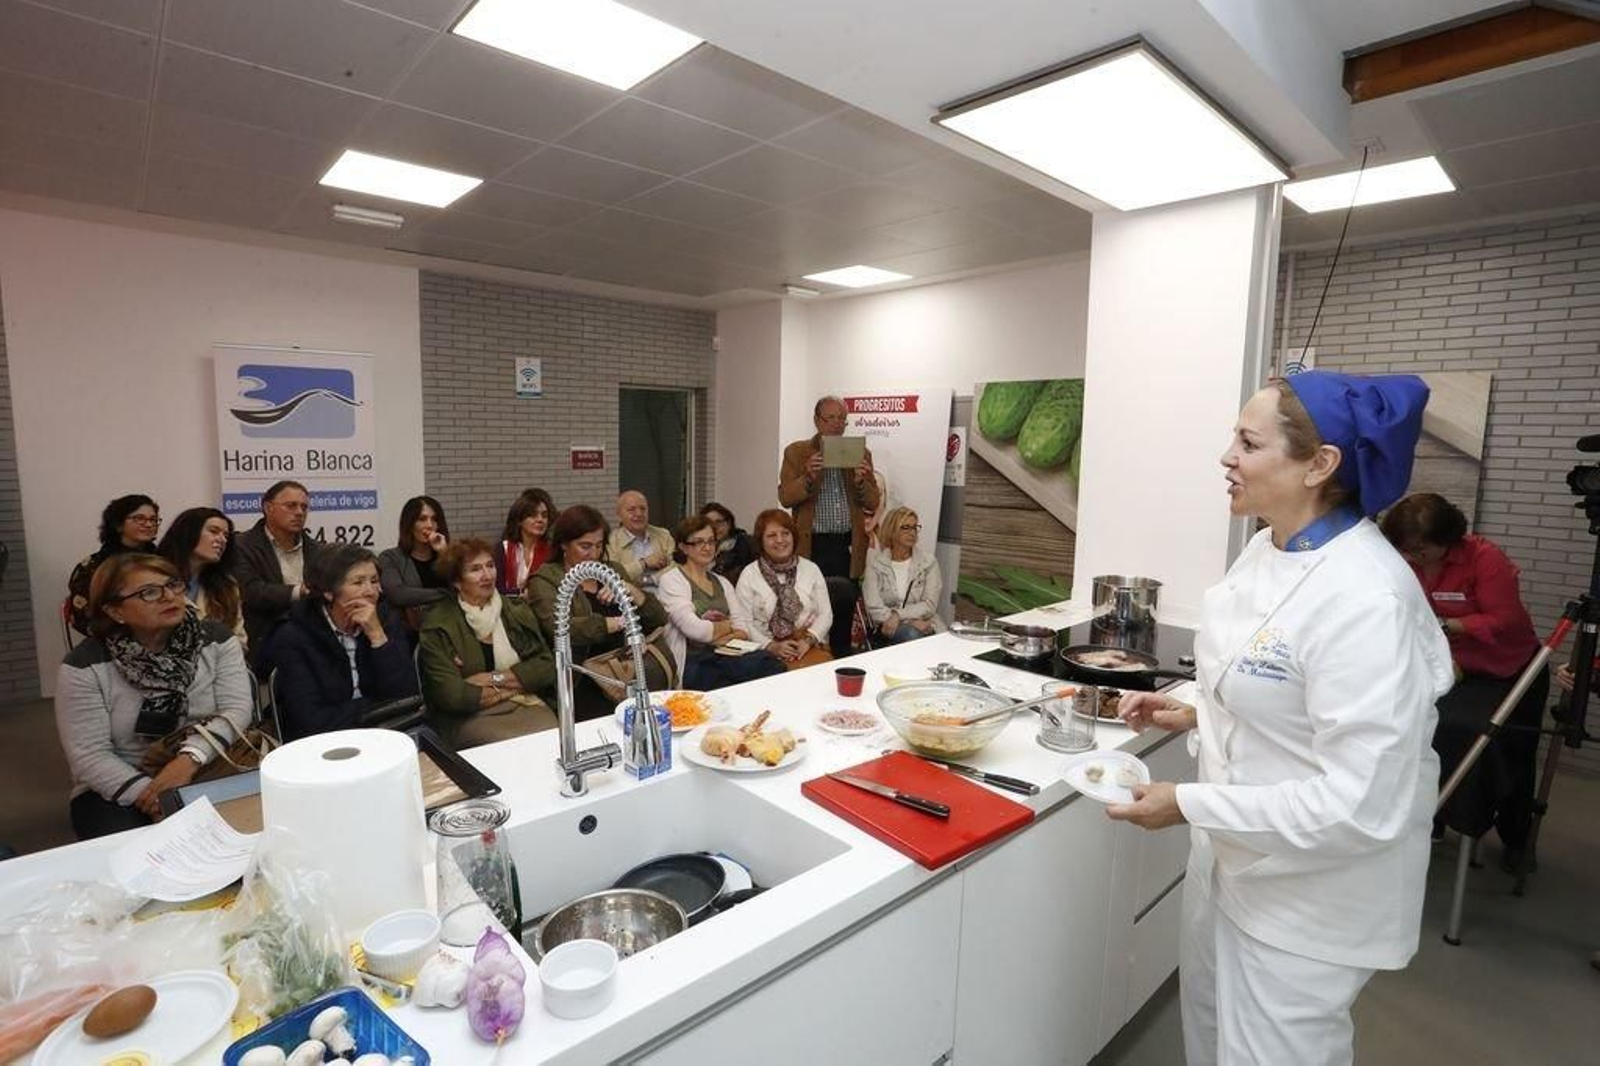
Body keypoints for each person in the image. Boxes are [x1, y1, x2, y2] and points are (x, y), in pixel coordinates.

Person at [1109, 372, 1452, 1066]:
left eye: (1248, 441)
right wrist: (1198, 711)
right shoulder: (1269, 546)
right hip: (1231, 860)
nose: (1225, 455)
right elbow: (1273, 683)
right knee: (1208, 1039)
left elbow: (1360, 803)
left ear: (1320, 465)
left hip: (1307, 894)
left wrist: (1189, 803)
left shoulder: (1367, 598)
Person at [1381, 492, 1548, 866]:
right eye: (1405, 549)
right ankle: (1434, 816)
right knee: (1425, 730)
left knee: (1509, 755)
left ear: (1447, 541)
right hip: (1450, 667)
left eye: (1420, 550)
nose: (1411, 557)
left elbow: (1504, 619)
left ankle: (1516, 840)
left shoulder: (1485, 559)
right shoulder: (1407, 562)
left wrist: (1443, 625)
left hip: (1509, 669)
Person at [54, 554, 253, 839]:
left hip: (210, 762)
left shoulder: (215, 640)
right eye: (149, 592)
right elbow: (89, 755)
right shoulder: (85, 665)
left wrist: (189, 760)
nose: (169, 597)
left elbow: (236, 710)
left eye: (173, 585)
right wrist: (152, 795)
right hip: (120, 783)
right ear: (114, 611)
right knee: (135, 858)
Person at [526, 505, 669, 719]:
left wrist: (634, 593)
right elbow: (563, 629)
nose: (593, 554)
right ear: (564, 544)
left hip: (626, 670)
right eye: (585, 546)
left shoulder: (612, 570)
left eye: (599, 546)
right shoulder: (546, 580)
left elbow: (658, 619)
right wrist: (619, 622)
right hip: (582, 677)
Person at [266, 545, 419, 741]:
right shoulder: (294, 636)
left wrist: (378, 638)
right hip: (321, 746)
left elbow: (407, 698)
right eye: (358, 582)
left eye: (374, 581)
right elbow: (311, 722)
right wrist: (374, 707)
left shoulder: (385, 621)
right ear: (329, 592)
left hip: (385, 736)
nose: (371, 591)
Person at [417, 538, 557, 748]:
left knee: (552, 734)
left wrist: (491, 678)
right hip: (468, 717)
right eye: (475, 569)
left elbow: (546, 667)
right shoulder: (438, 624)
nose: (487, 575)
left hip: (524, 704)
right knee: (512, 745)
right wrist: (517, 685)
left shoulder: (515, 611)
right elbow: (453, 695)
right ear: (457, 581)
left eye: (490, 566)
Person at [778, 396, 879, 655]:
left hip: (847, 545)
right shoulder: (797, 452)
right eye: (830, 418)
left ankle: (841, 657)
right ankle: (809, 658)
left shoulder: (860, 453)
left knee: (843, 608)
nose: (837, 424)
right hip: (812, 545)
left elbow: (873, 501)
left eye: (842, 419)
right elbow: (786, 497)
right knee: (809, 608)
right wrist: (808, 477)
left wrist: (860, 481)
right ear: (816, 421)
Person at [657, 516, 787, 691]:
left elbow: (743, 629)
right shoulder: (671, 580)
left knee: (770, 665)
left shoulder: (722, 582)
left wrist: (713, 634)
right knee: (730, 685)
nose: (707, 547)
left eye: (711, 541)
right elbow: (695, 630)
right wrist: (727, 625)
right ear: (683, 547)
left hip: (728, 654)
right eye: (698, 542)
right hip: (692, 661)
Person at [232, 480, 325, 665]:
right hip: (265, 639)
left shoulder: (318, 550)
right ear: (268, 507)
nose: (299, 512)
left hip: (313, 637)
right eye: (291, 506)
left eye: (304, 507)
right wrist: (301, 591)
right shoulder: (240, 546)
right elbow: (251, 591)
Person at [735, 509, 832, 670]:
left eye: (785, 533)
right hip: (764, 653)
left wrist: (807, 641)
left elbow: (826, 614)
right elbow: (743, 622)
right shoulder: (749, 574)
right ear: (761, 541)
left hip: (809, 648)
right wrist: (771, 646)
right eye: (772, 535)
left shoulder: (811, 569)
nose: (780, 540)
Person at [66, 494, 160, 636]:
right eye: (139, 518)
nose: (148, 524)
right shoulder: (93, 566)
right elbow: (84, 616)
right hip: (115, 636)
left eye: (153, 520)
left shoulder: (163, 559)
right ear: (118, 524)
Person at [156, 507, 246, 646]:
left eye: (226, 536)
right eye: (213, 531)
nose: (222, 540)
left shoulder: (227, 585)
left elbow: (238, 639)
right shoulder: (153, 577)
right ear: (188, 533)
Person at [861, 506, 945, 644]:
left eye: (915, 527)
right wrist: (907, 621)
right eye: (905, 528)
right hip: (887, 626)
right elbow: (874, 607)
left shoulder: (928, 563)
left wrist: (899, 615)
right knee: (911, 634)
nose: (912, 533)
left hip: (925, 622)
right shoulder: (875, 565)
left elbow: (929, 605)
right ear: (892, 530)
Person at [379, 495, 453, 624]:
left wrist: (444, 553)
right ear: (410, 523)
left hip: (448, 627)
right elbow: (398, 594)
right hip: (410, 633)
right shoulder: (390, 557)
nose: (429, 525)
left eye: (434, 519)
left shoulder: (446, 554)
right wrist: (446, 594)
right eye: (422, 519)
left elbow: (463, 587)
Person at [493, 488, 555, 596]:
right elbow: (496, 589)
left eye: (544, 516)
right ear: (520, 520)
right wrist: (520, 592)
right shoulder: (503, 549)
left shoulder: (552, 551)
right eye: (533, 515)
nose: (540, 520)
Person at [608, 490, 675, 589]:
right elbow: (612, 574)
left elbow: (678, 565)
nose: (639, 513)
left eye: (643, 509)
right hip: (629, 599)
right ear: (619, 515)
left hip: (667, 592)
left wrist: (650, 579)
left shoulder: (663, 535)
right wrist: (644, 563)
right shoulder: (611, 542)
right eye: (631, 509)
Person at [702, 502, 756, 584]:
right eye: (709, 524)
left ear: (729, 523)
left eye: (718, 522)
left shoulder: (744, 545)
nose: (715, 527)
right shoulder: (700, 548)